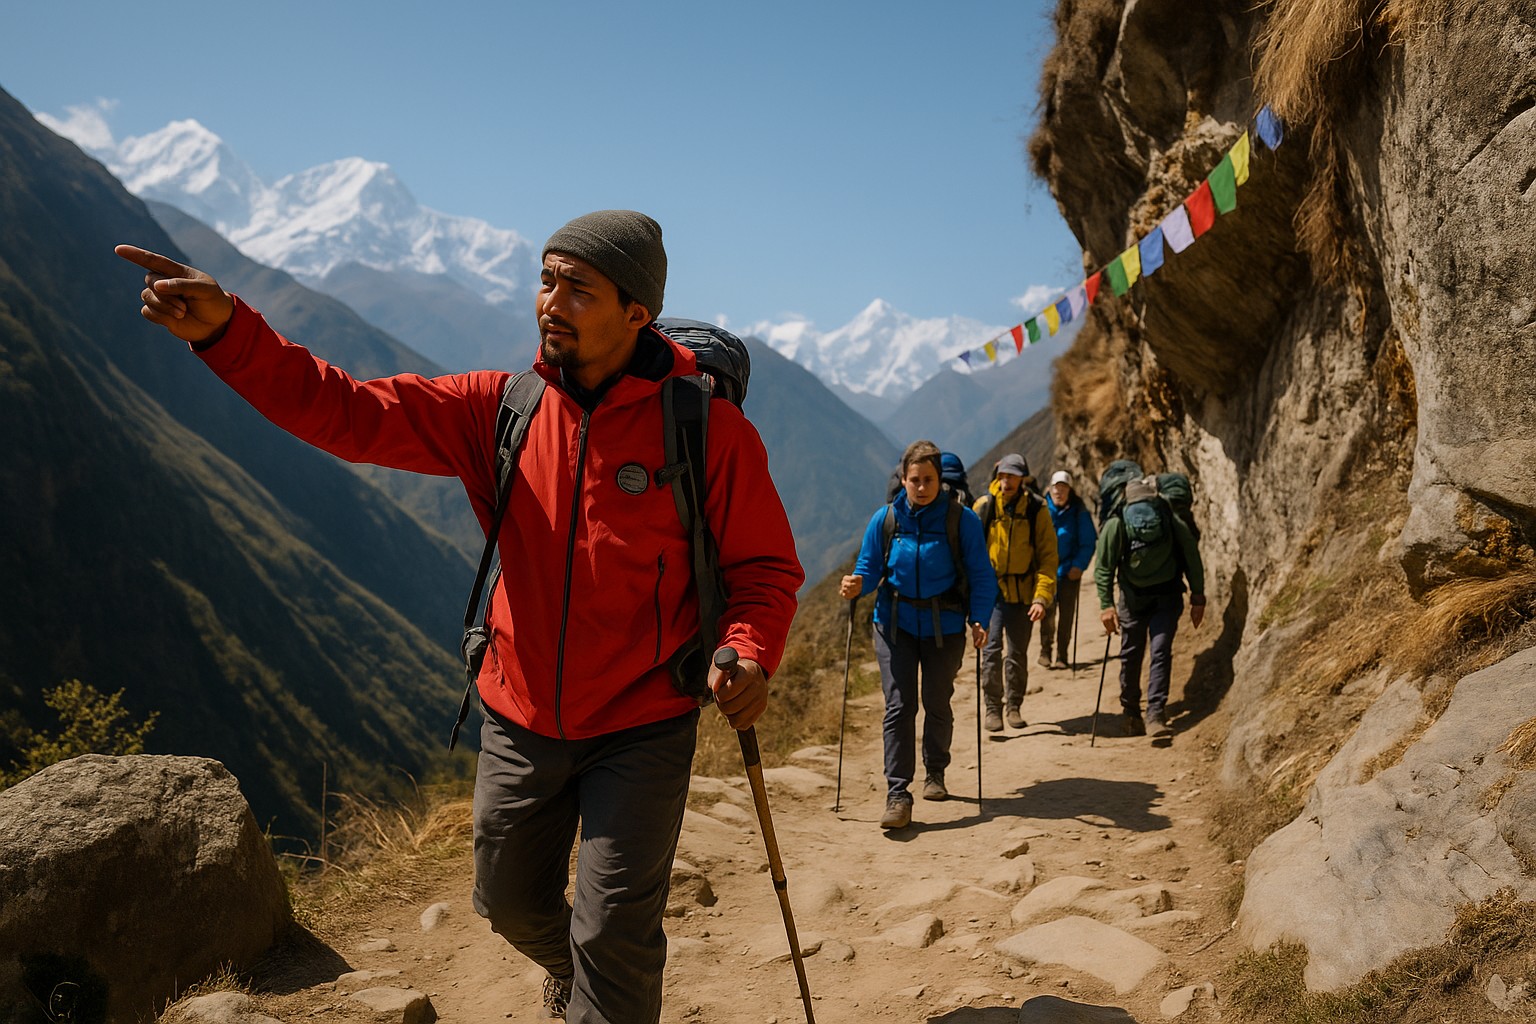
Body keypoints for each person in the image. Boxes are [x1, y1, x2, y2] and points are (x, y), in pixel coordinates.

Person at [115, 210, 803, 1024]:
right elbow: (349, 410)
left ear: (635, 313)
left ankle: (601, 988)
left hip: (643, 721)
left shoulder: (706, 433)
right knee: (508, 905)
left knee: (615, 931)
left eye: (577, 286)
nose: (550, 300)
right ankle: (574, 972)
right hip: (519, 713)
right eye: (546, 279)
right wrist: (231, 334)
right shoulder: (500, 411)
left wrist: (748, 652)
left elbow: (762, 569)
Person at [840, 440, 996, 829]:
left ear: (940, 480)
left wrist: (979, 619)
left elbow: (981, 575)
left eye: (928, 480)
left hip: (945, 626)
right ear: (903, 479)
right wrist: (858, 583)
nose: (922, 487)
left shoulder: (962, 521)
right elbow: (870, 566)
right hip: (894, 624)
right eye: (914, 480)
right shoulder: (886, 519)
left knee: (937, 701)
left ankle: (936, 771)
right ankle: (898, 793)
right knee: (899, 705)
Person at [1094, 474, 1205, 739]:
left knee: (1131, 653)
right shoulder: (1167, 516)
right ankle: (1155, 714)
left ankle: (1131, 713)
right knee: (1160, 651)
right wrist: (1198, 596)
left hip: (1133, 599)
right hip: (1167, 596)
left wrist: (1107, 605)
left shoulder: (1117, 521)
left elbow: (1104, 567)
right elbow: (1191, 554)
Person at [970, 453, 1057, 732]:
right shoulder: (984, 507)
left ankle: (1014, 705)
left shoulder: (1036, 509)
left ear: (1023, 479)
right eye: (1002, 476)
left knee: (1017, 653)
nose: (1006, 482)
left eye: (1012, 476)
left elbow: (1047, 557)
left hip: (1023, 594)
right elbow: (970, 554)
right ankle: (993, 708)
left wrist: (1041, 596)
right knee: (991, 650)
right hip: (991, 593)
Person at [1039, 470, 1098, 670]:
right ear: (1050, 488)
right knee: (1046, 614)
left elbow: (1088, 541)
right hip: (1046, 573)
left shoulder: (1078, 511)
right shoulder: (1041, 509)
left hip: (1068, 572)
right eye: (1056, 487)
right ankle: (1045, 651)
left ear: (1069, 490)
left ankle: (1062, 655)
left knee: (1066, 615)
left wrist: (1079, 566)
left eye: (1063, 488)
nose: (1059, 492)